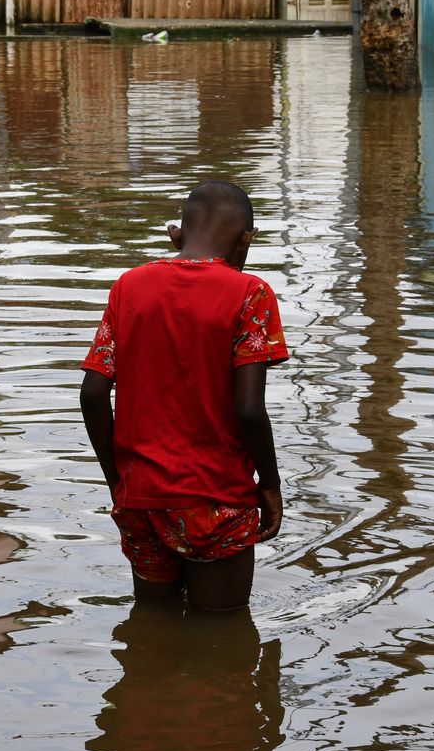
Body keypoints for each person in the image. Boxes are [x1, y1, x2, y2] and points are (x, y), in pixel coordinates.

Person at [79, 180, 289, 610]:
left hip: (140, 500)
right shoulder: (251, 294)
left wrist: (118, 481)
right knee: (222, 636)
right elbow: (249, 410)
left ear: (176, 233)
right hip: (215, 500)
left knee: (152, 626)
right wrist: (269, 486)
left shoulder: (129, 287)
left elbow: (93, 394)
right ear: (247, 237)